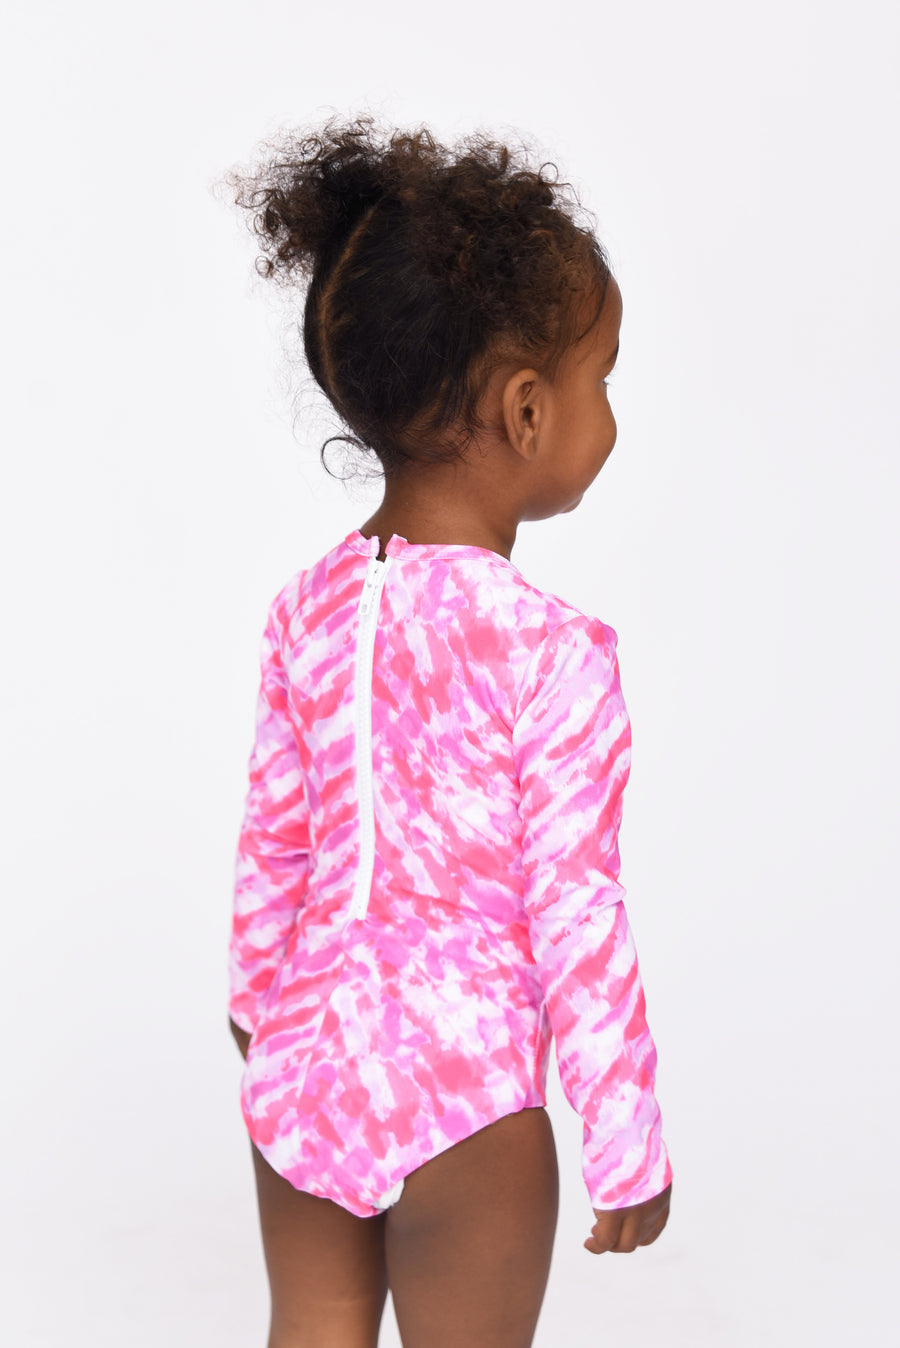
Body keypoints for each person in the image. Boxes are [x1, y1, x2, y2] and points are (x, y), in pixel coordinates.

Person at [218, 113, 673, 1348]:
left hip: (305, 1061)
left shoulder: (304, 609)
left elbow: (274, 843)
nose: (606, 409)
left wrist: (260, 1014)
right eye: (601, 377)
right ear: (526, 410)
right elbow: (576, 907)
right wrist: (625, 1136)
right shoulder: (551, 651)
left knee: (312, 1325)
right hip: (462, 1095)